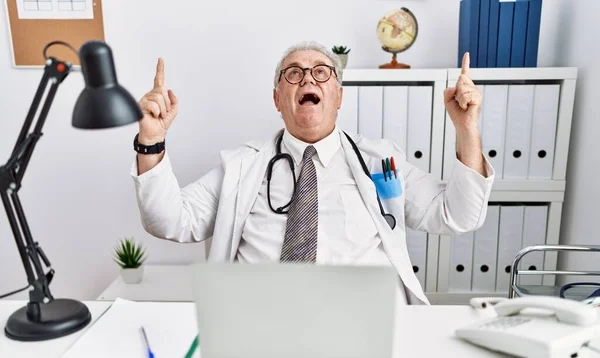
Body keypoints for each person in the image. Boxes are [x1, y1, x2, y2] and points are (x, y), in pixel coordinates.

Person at [130, 41, 494, 305]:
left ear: (338, 96)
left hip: (364, 321)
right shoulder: (241, 166)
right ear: (277, 99)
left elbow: (458, 214)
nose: (308, 80)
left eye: (321, 72)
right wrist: (151, 140)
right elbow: (169, 220)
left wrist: (467, 129)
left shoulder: (381, 162)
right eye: (294, 74)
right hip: (262, 324)